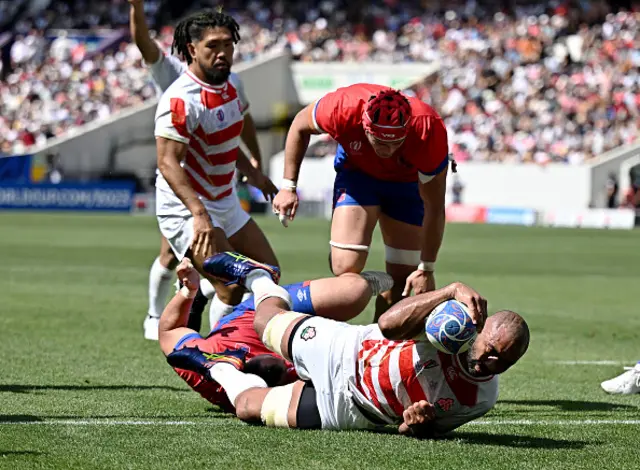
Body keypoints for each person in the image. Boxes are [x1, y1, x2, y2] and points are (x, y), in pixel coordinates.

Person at [169, 252, 530, 437]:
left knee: (249, 407)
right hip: (347, 349)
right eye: (491, 347)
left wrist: (416, 423)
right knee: (265, 322)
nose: (491, 359)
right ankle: (259, 277)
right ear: (481, 329)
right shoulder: (451, 325)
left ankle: (219, 364)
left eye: (503, 360)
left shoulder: (481, 399)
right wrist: (449, 290)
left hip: (351, 410)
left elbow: (420, 430)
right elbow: (388, 325)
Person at [128, 0, 267, 340]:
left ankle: (203, 295)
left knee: (260, 273)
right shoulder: (176, 83)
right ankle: (161, 317)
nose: (221, 52)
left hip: (219, 188)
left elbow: (239, 121)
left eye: (227, 44)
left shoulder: (229, 81)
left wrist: (254, 166)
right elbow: (144, 42)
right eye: (212, 45)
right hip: (185, 189)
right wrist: (136, 7)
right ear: (192, 49)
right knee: (181, 260)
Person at [271, 84, 451, 320]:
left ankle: (380, 347)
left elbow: (435, 207)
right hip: (358, 176)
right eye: (380, 141)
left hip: (407, 186)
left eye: (396, 142)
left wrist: (427, 267)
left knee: (405, 284)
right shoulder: (341, 107)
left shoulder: (428, 128)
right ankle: (370, 284)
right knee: (344, 267)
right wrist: (288, 187)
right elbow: (299, 125)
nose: (388, 150)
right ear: (364, 126)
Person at [159, 257, 393, 411]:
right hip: (311, 346)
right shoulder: (280, 394)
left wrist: (188, 293)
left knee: (354, 291)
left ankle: (259, 280)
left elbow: (168, 330)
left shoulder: (202, 364)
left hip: (254, 316)